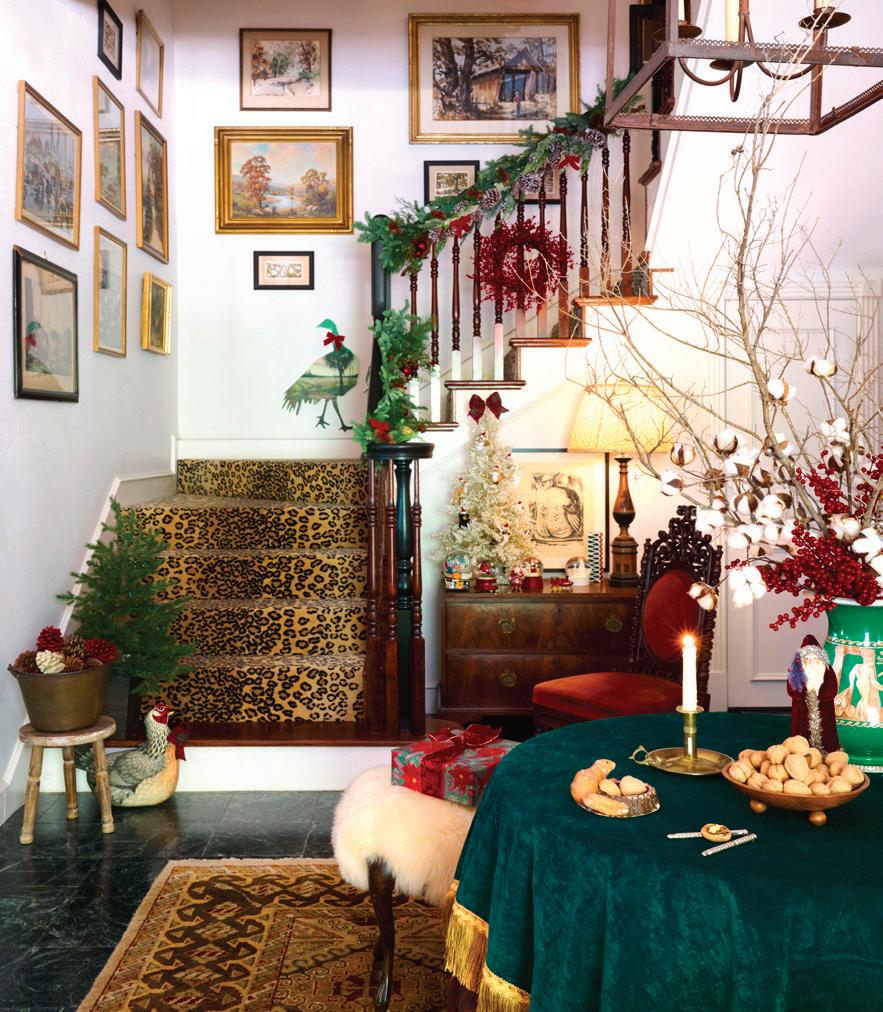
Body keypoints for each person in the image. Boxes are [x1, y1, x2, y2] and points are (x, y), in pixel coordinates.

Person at [787, 636, 840, 753]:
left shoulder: (827, 671)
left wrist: (822, 696)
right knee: (802, 730)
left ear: (822, 660)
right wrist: (804, 695)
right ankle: (802, 751)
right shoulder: (795, 673)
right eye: (807, 660)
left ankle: (828, 749)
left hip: (824, 706)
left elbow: (832, 688)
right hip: (802, 708)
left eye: (815, 660)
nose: (811, 664)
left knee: (826, 729)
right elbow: (792, 689)